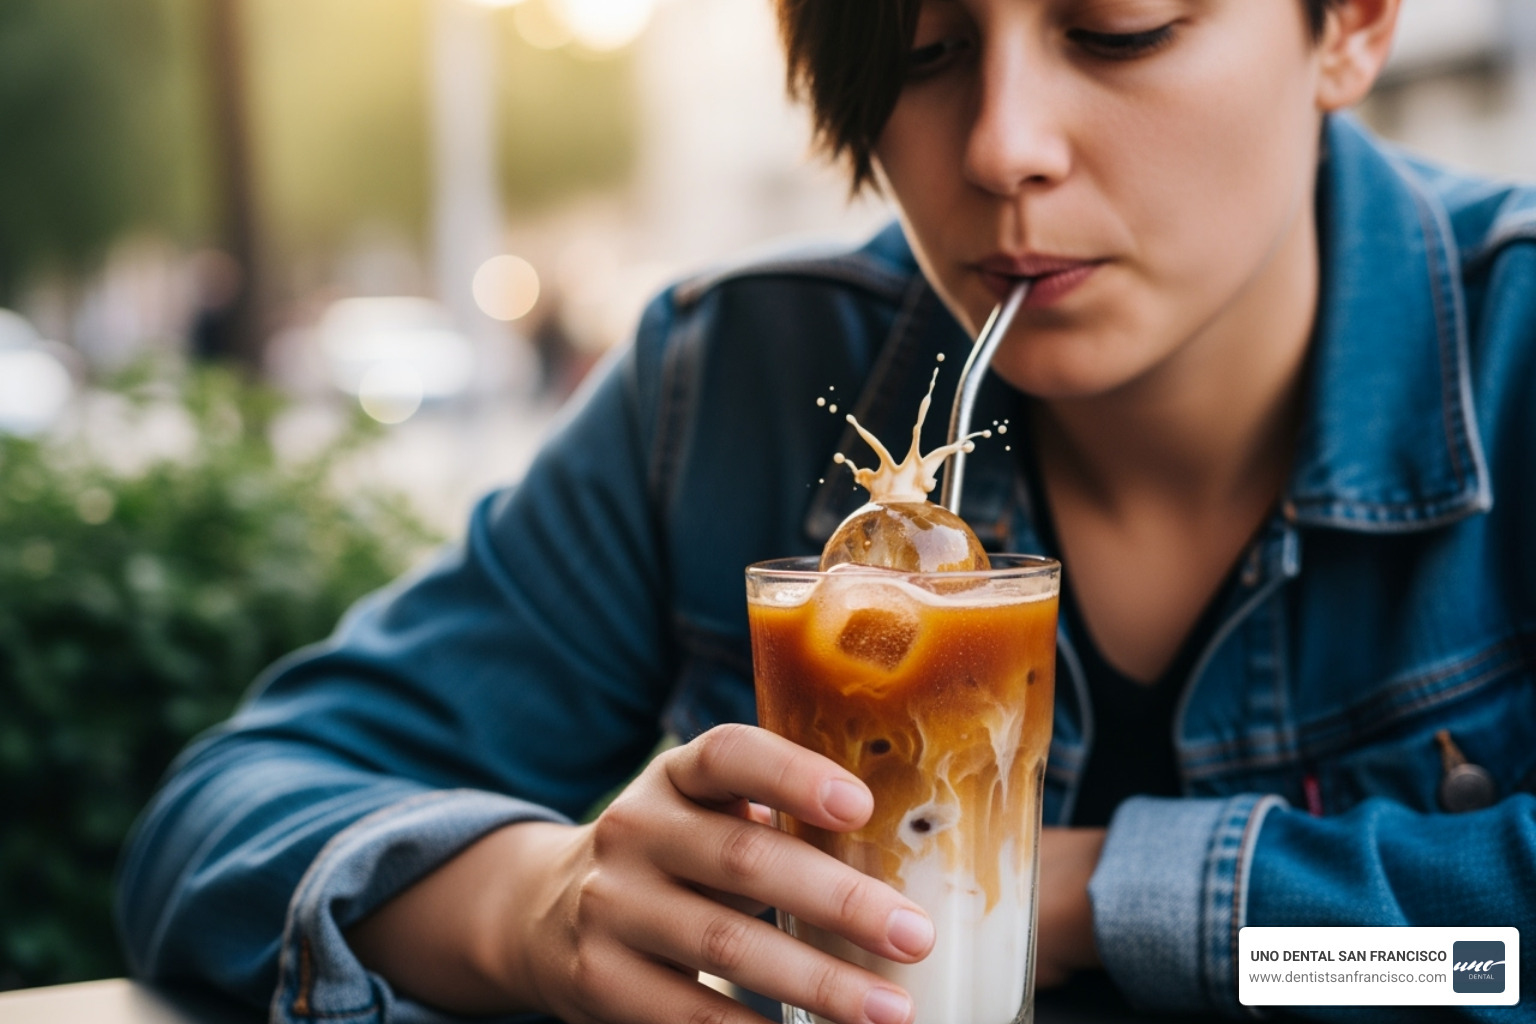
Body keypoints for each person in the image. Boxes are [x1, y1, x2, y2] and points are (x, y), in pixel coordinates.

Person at [118, 1, 1536, 1021]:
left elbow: (1495, 956)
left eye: (1114, 31)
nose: (1003, 147)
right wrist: (533, 911)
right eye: (921, 52)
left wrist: (1100, 903)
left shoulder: (1514, 346)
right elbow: (225, 822)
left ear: (1349, 24)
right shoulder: (733, 380)